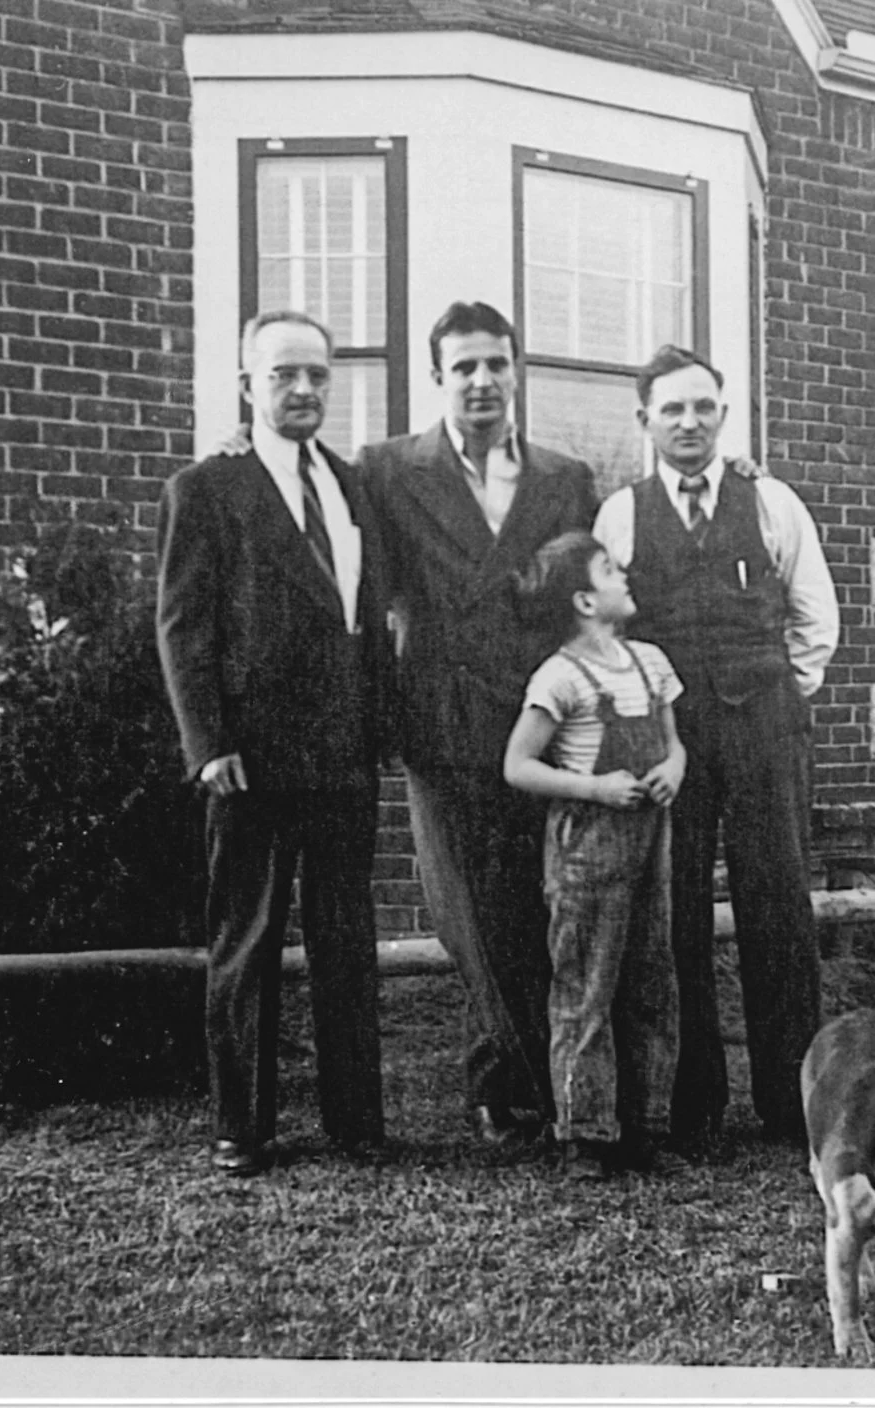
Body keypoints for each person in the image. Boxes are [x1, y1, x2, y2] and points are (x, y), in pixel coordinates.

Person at [155, 309, 390, 1177]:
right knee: (247, 939)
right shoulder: (207, 489)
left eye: (317, 376)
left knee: (345, 938)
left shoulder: (353, 483)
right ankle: (242, 1127)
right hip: (250, 756)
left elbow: (368, 616)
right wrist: (206, 741)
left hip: (343, 750)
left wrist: (381, 726)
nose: (302, 390)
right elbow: (183, 627)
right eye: (283, 375)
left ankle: (355, 1121)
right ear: (247, 385)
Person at [360, 301, 601, 1145]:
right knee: (466, 916)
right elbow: (367, 595)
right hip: (444, 719)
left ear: (516, 371)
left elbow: (584, 598)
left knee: (529, 907)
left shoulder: (565, 478)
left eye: (496, 363)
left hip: (536, 722)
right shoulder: (387, 470)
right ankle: (547, 1089)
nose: (482, 381)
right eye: (464, 366)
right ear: (438, 377)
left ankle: (500, 1089)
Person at [592, 344, 840, 1147]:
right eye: (672, 409)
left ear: (722, 415)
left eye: (703, 407)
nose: (689, 423)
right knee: (677, 909)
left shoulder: (770, 501)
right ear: (646, 422)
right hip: (671, 736)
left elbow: (815, 617)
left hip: (763, 727)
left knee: (779, 907)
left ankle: (790, 1100)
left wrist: (775, 695)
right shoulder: (622, 514)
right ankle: (693, 1100)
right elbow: (607, 631)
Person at [503, 531, 686, 1180]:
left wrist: (673, 770)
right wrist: (595, 787)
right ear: (584, 599)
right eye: (610, 569)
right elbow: (518, 765)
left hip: (649, 842)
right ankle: (584, 1133)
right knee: (586, 987)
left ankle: (646, 1127)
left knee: (650, 983)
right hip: (587, 847)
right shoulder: (560, 676)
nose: (624, 573)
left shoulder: (651, 663)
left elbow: (674, 745)